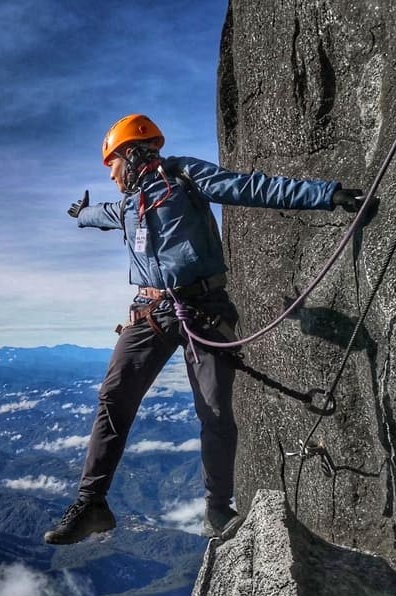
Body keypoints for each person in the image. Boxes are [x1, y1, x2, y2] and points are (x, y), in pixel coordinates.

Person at [43, 114, 366, 544]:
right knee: (114, 396)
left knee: (215, 412)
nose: (112, 174)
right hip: (150, 312)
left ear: (129, 153)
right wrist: (81, 214)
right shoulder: (128, 206)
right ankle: (92, 503)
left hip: (205, 308)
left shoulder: (183, 178)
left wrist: (326, 195)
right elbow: (100, 215)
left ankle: (217, 508)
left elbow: (247, 186)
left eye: (112, 164)